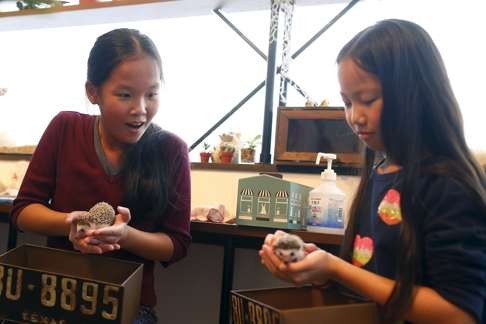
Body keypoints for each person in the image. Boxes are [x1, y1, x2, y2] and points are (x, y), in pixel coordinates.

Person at [260, 19, 486, 324]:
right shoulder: (379, 171)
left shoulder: (448, 184)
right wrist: (319, 269)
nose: (355, 117)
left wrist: (338, 269)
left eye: (367, 100)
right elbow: (374, 277)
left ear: (416, 95)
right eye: (347, 102)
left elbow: (459, 314)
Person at [11, 28, 191, 323]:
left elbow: (177, 245)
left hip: (129, 306)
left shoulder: (171, 150)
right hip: (56, 295)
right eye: (125, 95)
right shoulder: (65, 128)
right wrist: (71, 222)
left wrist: (126, 236)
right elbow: (23, 211)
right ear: (93, 92)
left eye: (152, 94)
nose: (141, 109)